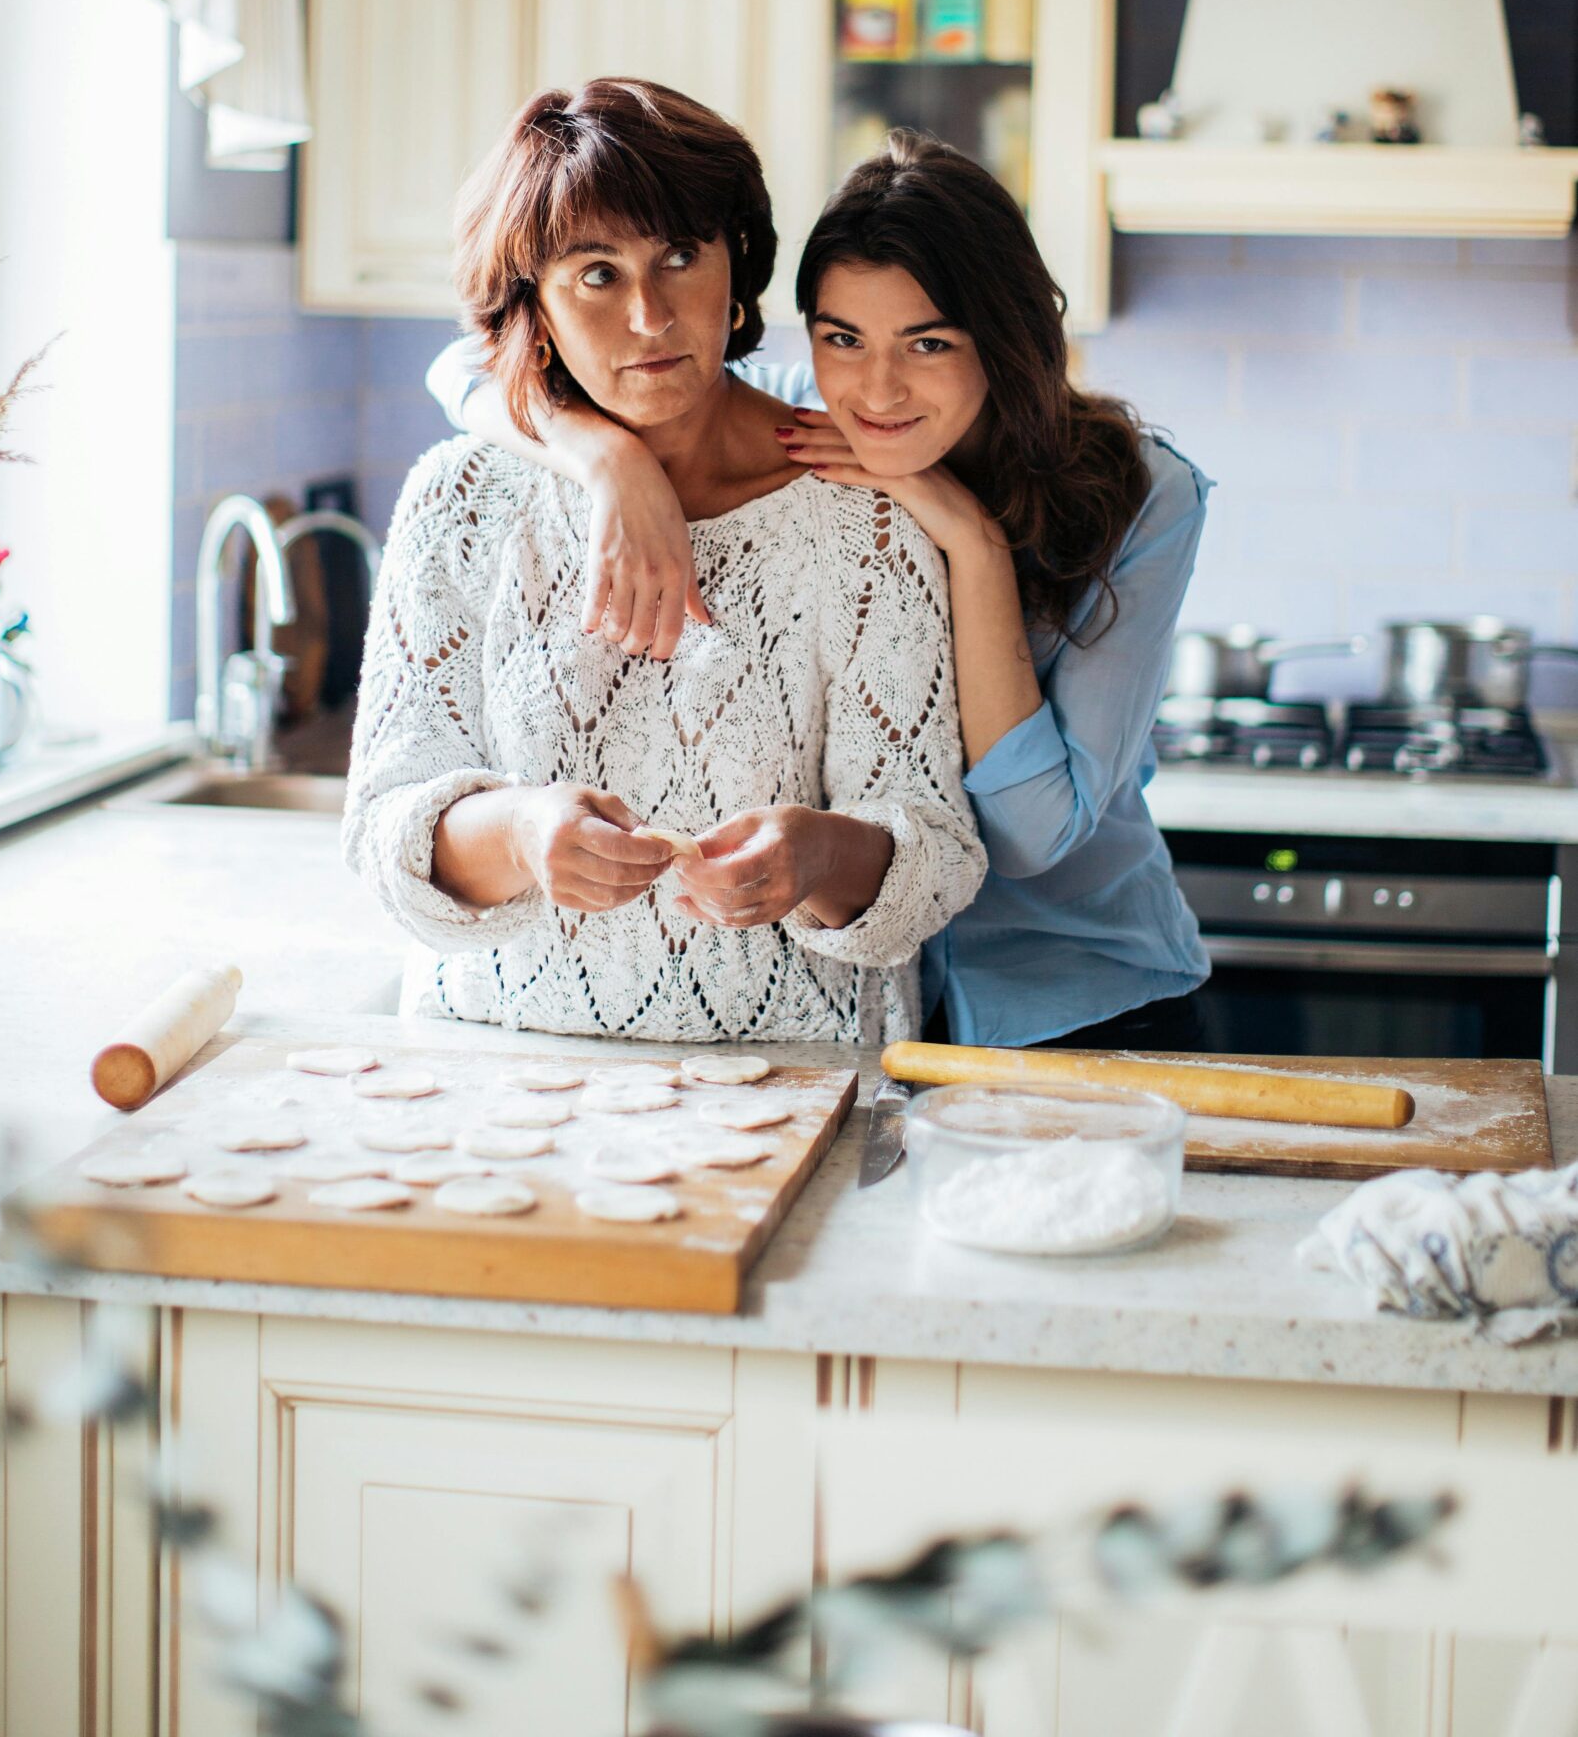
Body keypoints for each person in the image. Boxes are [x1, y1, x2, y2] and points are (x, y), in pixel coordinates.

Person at [433, 128, 1211, 1053]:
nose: (878, 389)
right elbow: (465, 371)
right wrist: (607, 460)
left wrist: (968, 537)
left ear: (1004, 341)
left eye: (929, 342)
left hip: (1071, 990)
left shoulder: (1142, 490)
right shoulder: (809, 411)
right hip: (873, 1003)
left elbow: (1035, 835)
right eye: (843, 336)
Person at [345, 81, 986, 1046]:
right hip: (490, 1079)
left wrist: (820, 857)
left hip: (797, 1081)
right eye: (595, 274)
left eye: (680, 257)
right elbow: (383, 833)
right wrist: (521, 832)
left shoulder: (867, 513)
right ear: (537, 307)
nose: (649, 315)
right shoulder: (460, 502)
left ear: (737, 271)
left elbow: (935, 855)